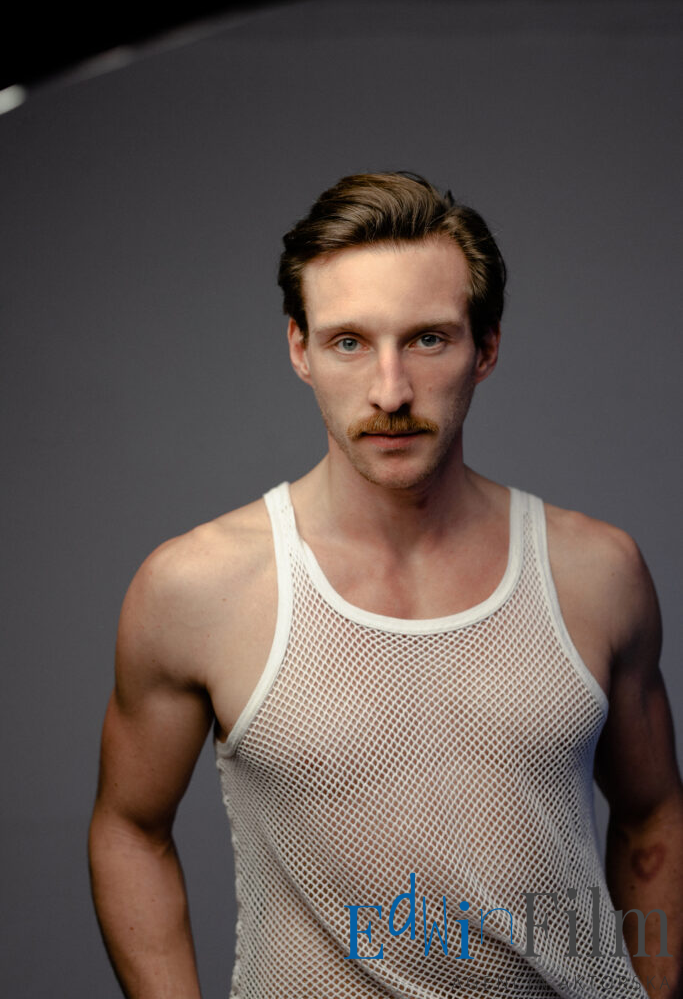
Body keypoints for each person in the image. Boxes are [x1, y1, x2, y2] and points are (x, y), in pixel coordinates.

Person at [89, 172, 682, 999]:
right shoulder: (198, 588)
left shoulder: (597, 572)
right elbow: (129, 828)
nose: (390, 391)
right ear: (299, 349)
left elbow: (653, 815)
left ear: (486, 347)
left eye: (428, 339)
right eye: (348, 342)